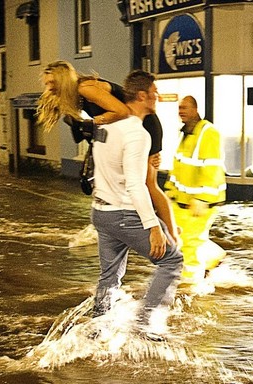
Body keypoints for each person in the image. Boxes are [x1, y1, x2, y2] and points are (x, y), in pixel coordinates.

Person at [37, 60, 179, 244]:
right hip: (128, 130)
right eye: (46, 83)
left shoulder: (84, 88)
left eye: (51, 83)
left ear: (62, 80)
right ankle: (160, 227)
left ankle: (174, 236)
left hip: (145, 124)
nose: (48, 87)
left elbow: (122, 111)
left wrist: (93, 122)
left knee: (149, 185)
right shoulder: (72, 95)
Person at [90, 69, 183, 339]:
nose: (157, 98)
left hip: (101, 212)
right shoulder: (137, 133)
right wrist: (154, 226)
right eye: (154, 93)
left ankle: (98, 332)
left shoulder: (105, 124)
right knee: (172, 260)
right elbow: (134, 184)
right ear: (142, 96)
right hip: (123, 213)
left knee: (109, 277)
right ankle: (145, 323)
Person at [164, 95, 227, 286]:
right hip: (182, 201)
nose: (181, 111)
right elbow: (178, 167)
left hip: (201, 202)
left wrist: (202, 198)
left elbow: (212, 167)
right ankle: (214, 259)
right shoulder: (185, 133)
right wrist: (169, 192)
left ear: (196, 110)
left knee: (191, 243)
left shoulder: (209, 133)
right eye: (179, 108)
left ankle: (190, 286)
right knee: (177, 239)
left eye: (185, 108)